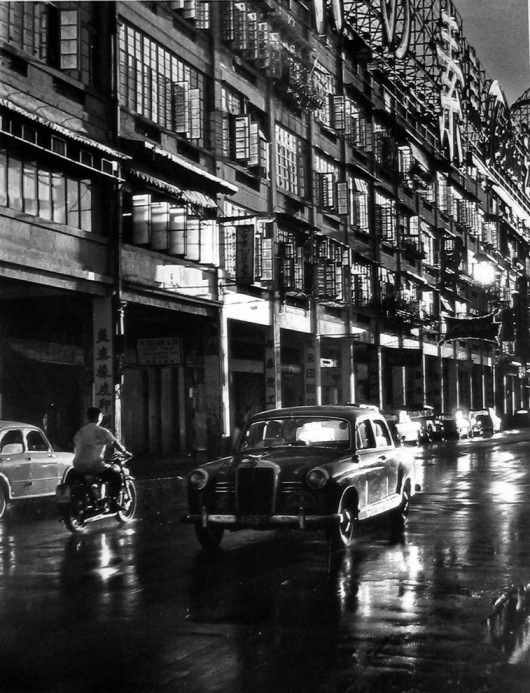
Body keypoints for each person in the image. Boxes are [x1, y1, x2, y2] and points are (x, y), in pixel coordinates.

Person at [72, 406, 129, 506]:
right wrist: (125, 452)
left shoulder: (81, 432)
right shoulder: (101, 431)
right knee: (116, 476)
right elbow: (115, 443)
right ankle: (113, 503)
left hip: (77, 466)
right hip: (94, 466)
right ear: (99, 417)